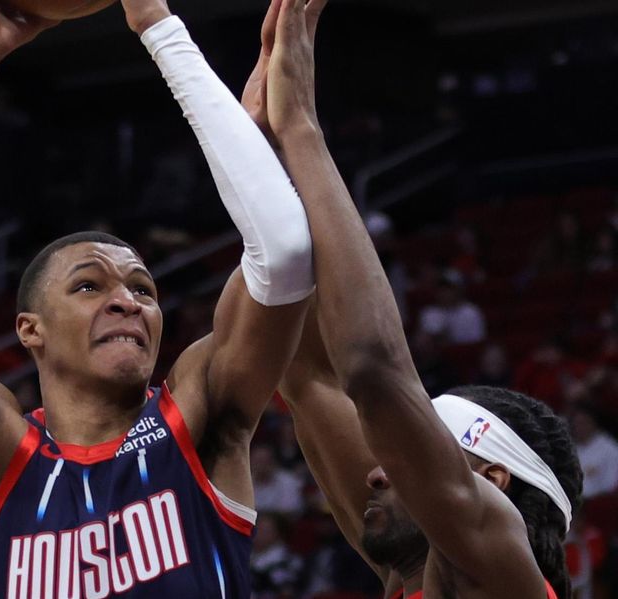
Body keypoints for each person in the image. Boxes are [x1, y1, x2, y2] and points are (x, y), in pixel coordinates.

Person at [0, 0, 315, 597]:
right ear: (30, 329)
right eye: (89, 285)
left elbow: (286, 252)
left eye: (142, 288)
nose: (128, 302)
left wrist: (157, 26)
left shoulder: (195, 418)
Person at [253, 0, 583, 597]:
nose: (377, 471)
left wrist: (301, 126)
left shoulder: (503, 585)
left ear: (494, 483)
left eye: (411, 455)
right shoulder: (410, 576)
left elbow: (372, 374)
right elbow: (306, 375)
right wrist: (266, 156)